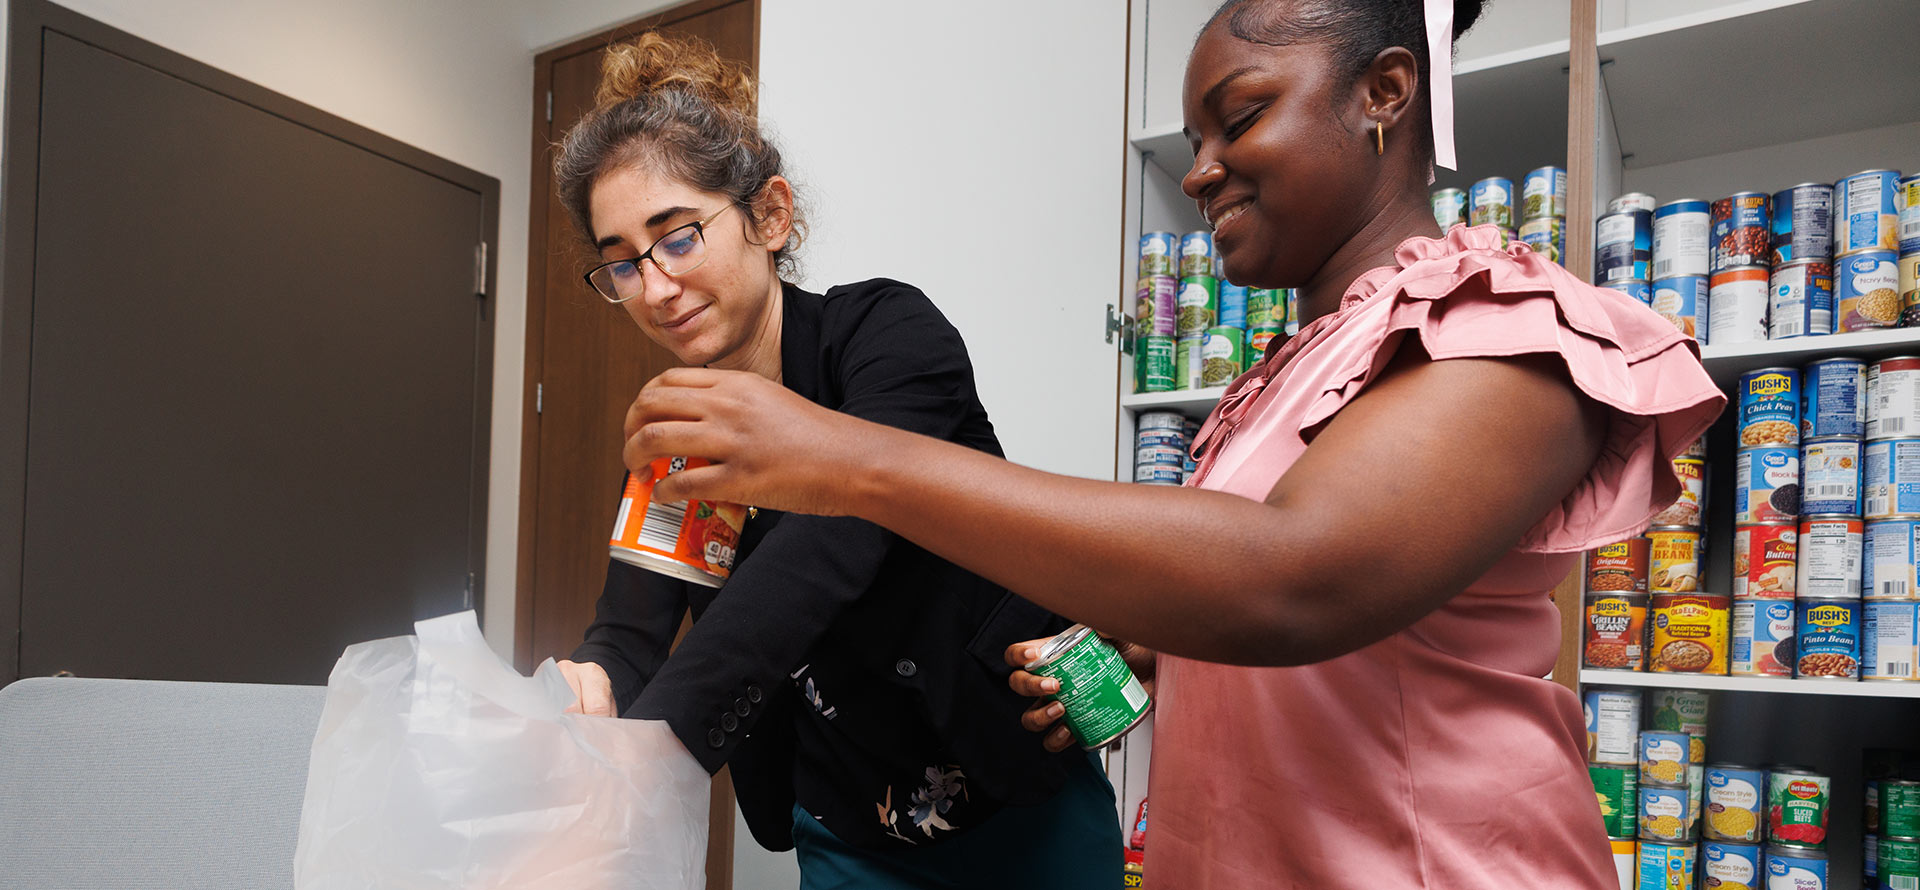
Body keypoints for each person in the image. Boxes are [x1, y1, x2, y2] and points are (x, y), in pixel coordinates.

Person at [615, 1, 1729, 886]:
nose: (1198, 169)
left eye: (1238, 118)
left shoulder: (1507, 330)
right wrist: (1154, 639)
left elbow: (1296, 577)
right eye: (1193, 136)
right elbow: (1269, 591)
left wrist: (845, 458)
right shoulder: (1288, 373)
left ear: (1388, 90)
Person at [545, 30, 1121, 890]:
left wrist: (644, 769)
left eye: (678, 238)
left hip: (1011, 787)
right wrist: (581, 694)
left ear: (768, 216)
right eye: (622, 263)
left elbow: (832, 545)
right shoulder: (681, 438)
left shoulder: (887, 339)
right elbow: (630, 635)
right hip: (848, 822)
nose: (655, 287)